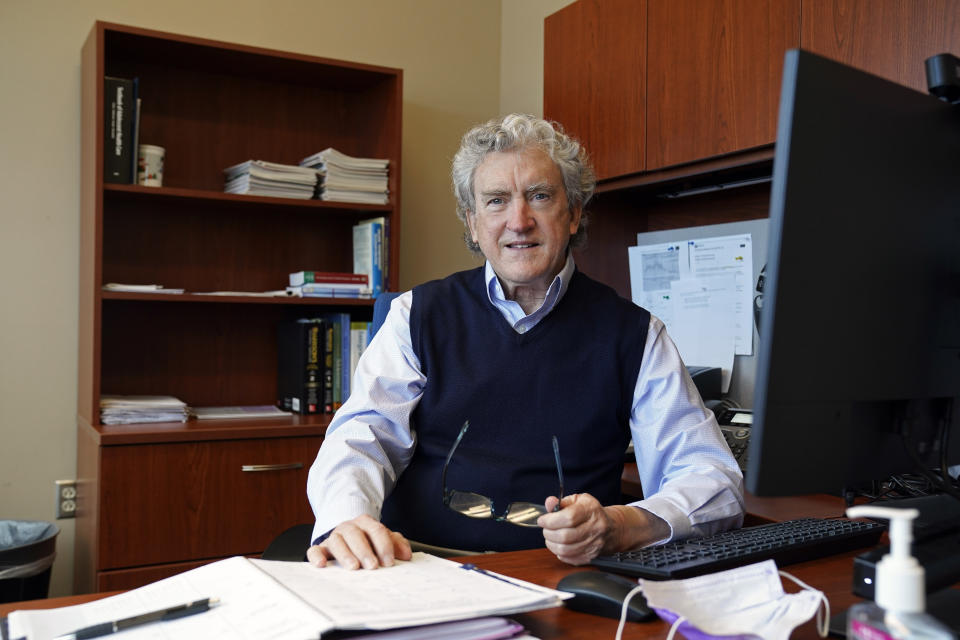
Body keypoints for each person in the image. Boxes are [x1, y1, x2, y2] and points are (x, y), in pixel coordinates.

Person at [306, 113, 743, 570]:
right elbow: (362, 436)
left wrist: (622, 525)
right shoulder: (417, 316)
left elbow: (712, 477)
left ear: (573, 213)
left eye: (539, 196)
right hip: (420, 565)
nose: (519, 221)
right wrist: (347, 519)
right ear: (474, 225)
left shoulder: (634, 335)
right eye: (496, 201)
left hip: (564, 579)